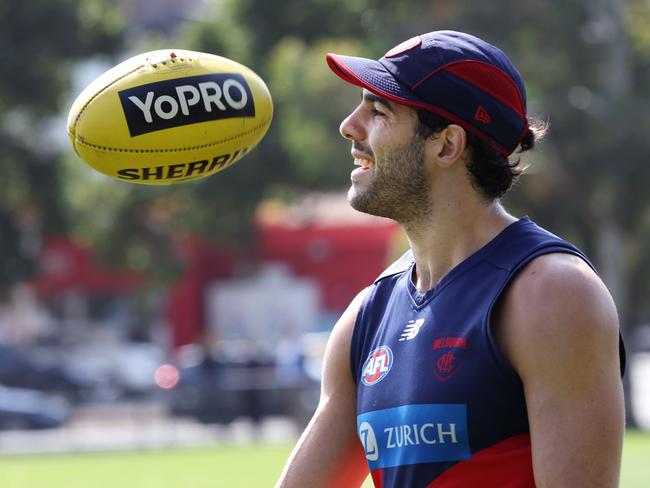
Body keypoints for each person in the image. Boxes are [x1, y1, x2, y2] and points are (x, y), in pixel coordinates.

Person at [275, 31, 625, 488]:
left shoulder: (552, 294)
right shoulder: (366, 317)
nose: (349, 126)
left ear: (446, 145)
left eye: (378, 111)